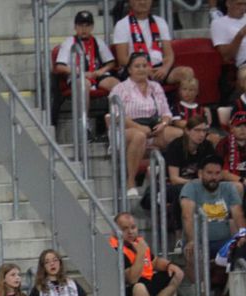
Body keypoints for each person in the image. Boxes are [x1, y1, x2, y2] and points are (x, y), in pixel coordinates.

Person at [109, 53, 183, 199]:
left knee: (179, 135)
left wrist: (163, 124)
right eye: (137, 66)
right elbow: (117, 116)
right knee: (139, 136)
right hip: (127, 129)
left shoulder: (155, 87)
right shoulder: (120, 88)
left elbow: (166, 113)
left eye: (144, 66)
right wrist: (138, 127)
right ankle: (130, 182)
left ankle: (171, 175)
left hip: (153, 127)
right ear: (129, 69)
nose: (141, 69)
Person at [111, 212, 184, 296]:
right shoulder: (115, 248)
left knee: (176, 274)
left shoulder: (138, 243)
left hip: (145, 284)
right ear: (115, 231)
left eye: (133, 227)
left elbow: (154, 262)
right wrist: (140, 253)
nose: (130, 232)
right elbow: (132, 279)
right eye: (125, 229)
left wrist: (169, 265)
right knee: (139, 287)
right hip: (125, 294)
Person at [179, 156, 245, 286]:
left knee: (242, 248)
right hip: (198, 242)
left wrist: (244, 235)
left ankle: (229, 295)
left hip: (224, 242)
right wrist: (192, 240)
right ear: (200, 173)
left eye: (217, 173)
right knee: (192, 252)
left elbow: (238, 214)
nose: (213, 177)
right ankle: (200, 293)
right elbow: (187, 215)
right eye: (209, 173)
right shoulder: (191, 187)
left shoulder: (228, 188)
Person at [112, 0, 192, 84]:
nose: (142, 2)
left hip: (159, 68)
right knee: (140, 76)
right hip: (137, 68)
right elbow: (122, 59)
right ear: (130, 1)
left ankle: (181, 97)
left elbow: (169, 54)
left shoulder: (160, 22)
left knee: (186, 73)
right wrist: (145, 68)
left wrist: (165, 69)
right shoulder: (122, 24)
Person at [54, 10, 120, 99]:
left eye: (87, 26)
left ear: (92, 27)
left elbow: (111, 63)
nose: (84, 29)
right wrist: (81, 73)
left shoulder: (98, 41)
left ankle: (118, 112)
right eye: (80, 26)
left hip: (96, 75)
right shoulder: (68, 42)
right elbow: (59, 67)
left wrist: (101, 71)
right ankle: (84, 113)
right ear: (75, 27)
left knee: (117, 85)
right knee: (84, 85)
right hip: (78, 76)